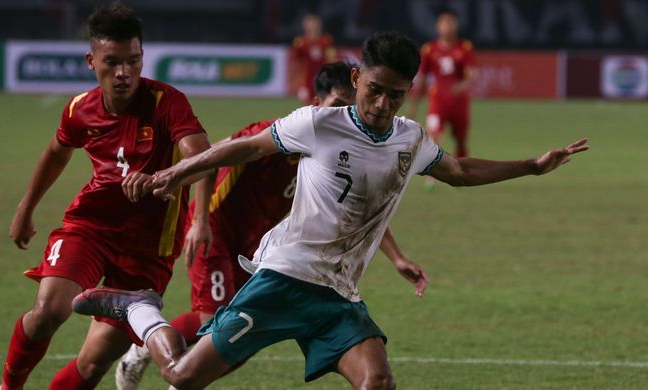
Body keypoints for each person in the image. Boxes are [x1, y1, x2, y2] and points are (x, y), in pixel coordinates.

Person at [73, 31, 588, 389]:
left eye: (395, 95)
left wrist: (533, 166)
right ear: (358, 76)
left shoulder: (410, 140)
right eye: (374, 90)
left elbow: (459, 172)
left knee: (378, 380)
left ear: (409, 92)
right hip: (284, 280)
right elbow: (245, 149)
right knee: (183, 378)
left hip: (337, 295)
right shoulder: (319, 123)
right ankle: (138, 308)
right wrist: (174, 174)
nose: (382, 105)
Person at [114, 62, 429, 390]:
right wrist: (200, 221)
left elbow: (358, 214)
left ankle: (179, 373)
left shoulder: (343, 146)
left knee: (239, 346)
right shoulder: (284, 131)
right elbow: (213, 156)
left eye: (348, 107)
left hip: (258, 244)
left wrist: (397, 258)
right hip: (218, 230)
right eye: (337, 105)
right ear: (316, 101)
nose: (343, 114)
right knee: (213, 317)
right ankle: (146, 346)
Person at [0, 3, 213, 389]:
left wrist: (195, 215)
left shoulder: (167, 103)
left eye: (132, 61)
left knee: (94, 361)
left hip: (149, 247)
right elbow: (56, 151)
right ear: (90, 60)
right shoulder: (80, 110)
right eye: (112, 62)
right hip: (92, 226)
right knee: (48, 310)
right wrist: (25, 208)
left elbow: (201, 155)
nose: (123, 72)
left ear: (142, 57)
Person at [406, 9, 476, 172]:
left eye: (451, 23)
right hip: (438, 101)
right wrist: (414, 105)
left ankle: (463, 171)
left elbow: (471, 75)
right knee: (434, 136)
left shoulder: (464, 48)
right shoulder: (430, 49)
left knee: (460, 140)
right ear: (438, 27)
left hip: (459, 103)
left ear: (456, 27)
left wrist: (462, 85)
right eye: (445, 23)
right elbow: (423, 78)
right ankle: (433, 173)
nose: (448, 27)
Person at [289, 13, 337, 103]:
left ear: (319, 25)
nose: (312, 26)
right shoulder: (300, 42)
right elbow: (295, 63)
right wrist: (293, 82)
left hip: (323, 79)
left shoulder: (326, 40)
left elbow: (332, 59)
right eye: (310, 24)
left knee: (323, 105)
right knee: (307, 108)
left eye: (314, 23)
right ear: (305, 25)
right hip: (306, 82)